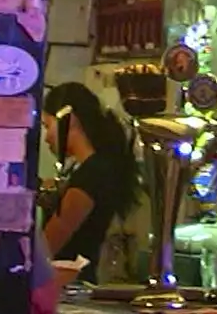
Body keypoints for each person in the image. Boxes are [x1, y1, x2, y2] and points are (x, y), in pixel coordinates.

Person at [40, 82, 141, 285]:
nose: (46, 138)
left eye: (47, 125)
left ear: (69, 119)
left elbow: (48, 245)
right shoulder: (94, 169)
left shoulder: (91, 175)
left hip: (75, 288)